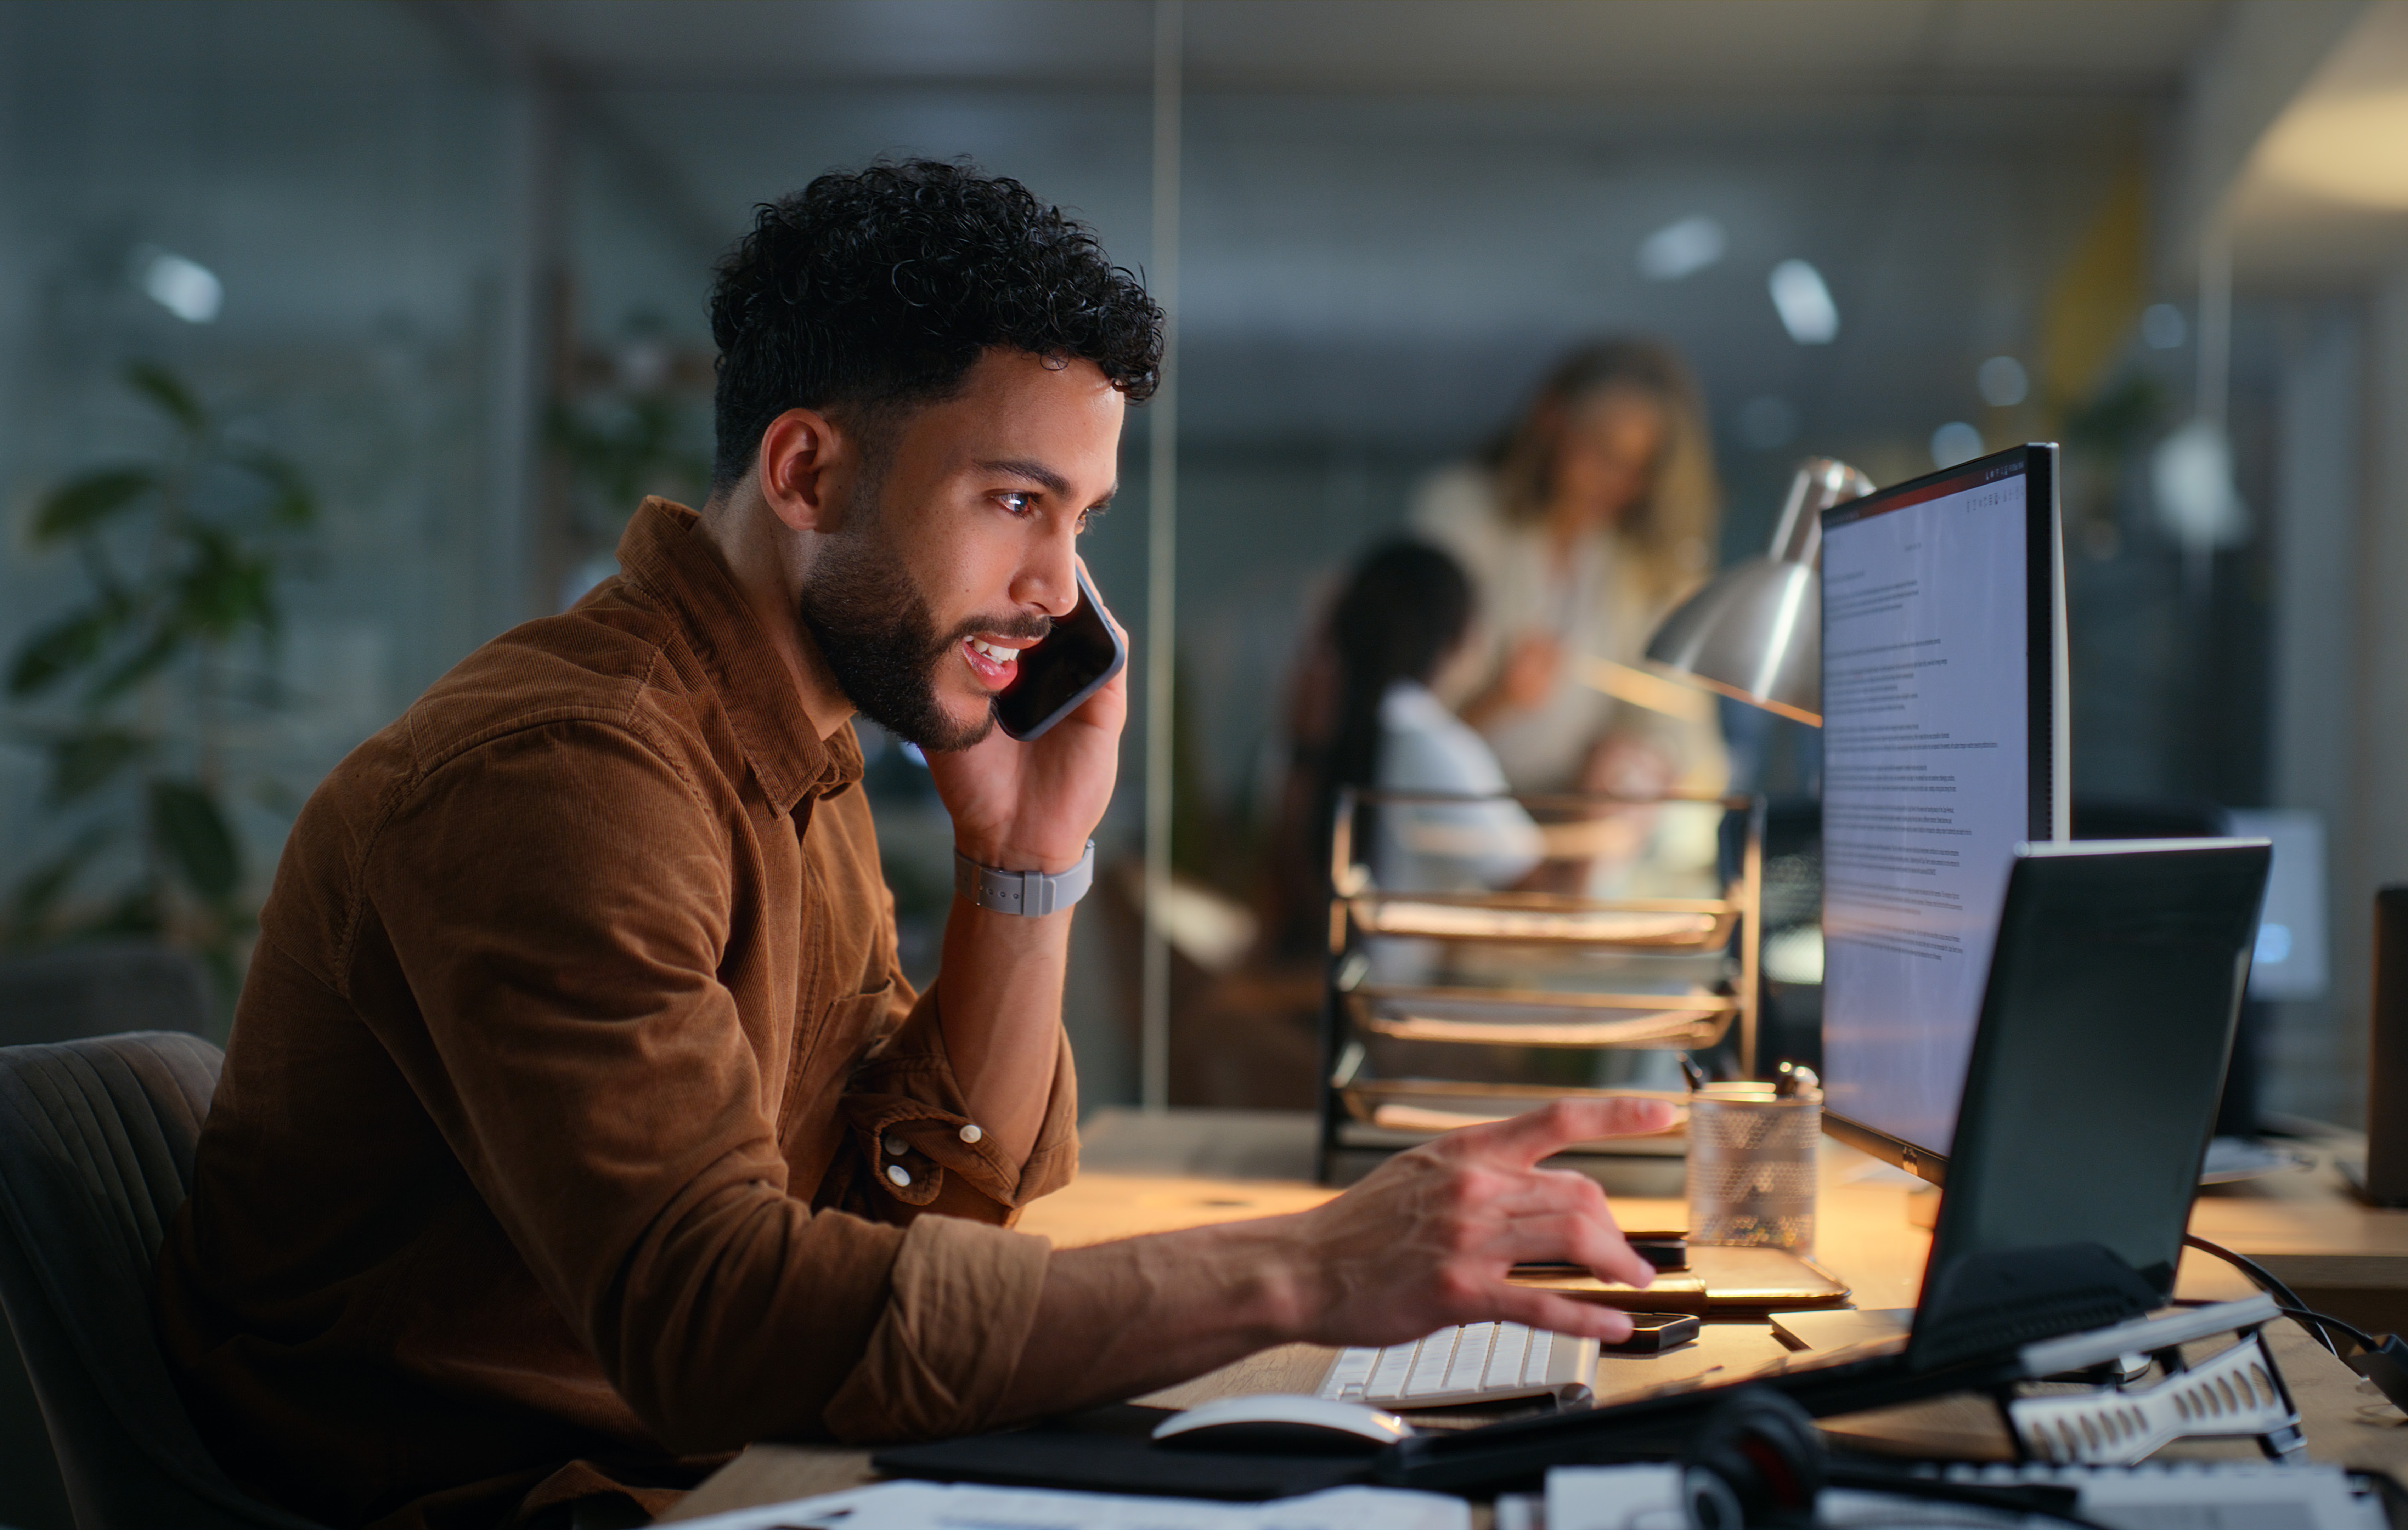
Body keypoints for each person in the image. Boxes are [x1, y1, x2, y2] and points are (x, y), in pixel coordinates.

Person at [155, 159, 1671, 1530]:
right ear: (807, 475)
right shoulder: (572, 777)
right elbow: (715, 1327)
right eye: (1014, 502)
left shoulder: (797, 741)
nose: (1053, 592)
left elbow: (935, 1202)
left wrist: (1025, 865)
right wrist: (1306, 1270)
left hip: (736, 1469)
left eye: (1076, 519)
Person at [1410, 340, 1727, 802]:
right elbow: (1408, 733)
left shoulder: (1630, 563)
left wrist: (1635, 756)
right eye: (1599, 449)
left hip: (1564, 819)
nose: (1612, 481)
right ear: (1551, 418)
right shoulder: (1461, 521)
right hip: (1450, 813)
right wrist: (1494, 701)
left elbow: (1678, 725)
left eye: (1636, 468)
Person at [1314, 540, 1544, 904]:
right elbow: (1531, 884)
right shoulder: (1430, 743)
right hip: (1403, 960)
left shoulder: (1344, 722)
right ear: (1457, 636)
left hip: (1352, 954)